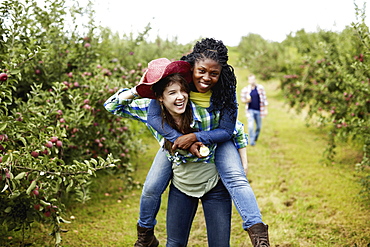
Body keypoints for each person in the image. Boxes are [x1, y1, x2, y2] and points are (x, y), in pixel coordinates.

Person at [138, 38, 269, 247]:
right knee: (152, 185)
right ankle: (145, 235)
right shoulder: (177, 81)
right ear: (192, 67)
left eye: (213, 73)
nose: (206, 77)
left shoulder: (225, 90)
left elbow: (227, 130)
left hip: (217, 136)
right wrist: (180, 140)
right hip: (177, 136)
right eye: (201, 71)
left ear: (221, 73)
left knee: (237, 178)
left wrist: (196, 137)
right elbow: (153, 117)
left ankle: (259, 235)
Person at [104, 58, 248, 246]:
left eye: (182, 90)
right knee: (152, 189)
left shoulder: (199, 108)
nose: (180, 97)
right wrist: (138, 89)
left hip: (212, 179)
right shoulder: (149, 108)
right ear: (160, 97)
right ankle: (145, 234)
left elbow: (234, 127)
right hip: (182, 179)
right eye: (172, 92)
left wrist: (243, 161)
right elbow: (111, 105)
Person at [240, 74, 268, 146]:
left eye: (253, 79)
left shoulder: (260, 88)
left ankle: (255, 137)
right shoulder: (245, 90)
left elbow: (264, 99)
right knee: (251, 126)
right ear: (248, 81)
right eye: (250, 80)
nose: (252, 81)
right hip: (250, 110)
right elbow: (242, 100)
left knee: (258, 127)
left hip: (259, 110)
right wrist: (247, 100)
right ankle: (252, 141)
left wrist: (265, 109)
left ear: (255, 80)